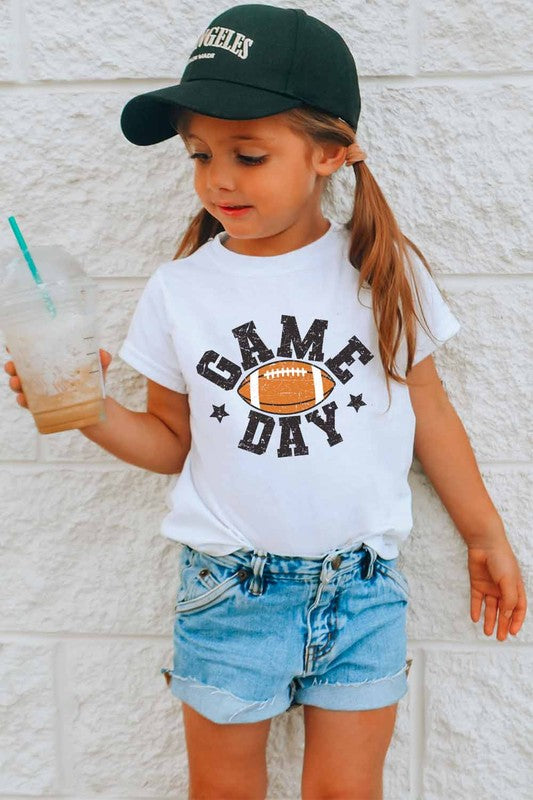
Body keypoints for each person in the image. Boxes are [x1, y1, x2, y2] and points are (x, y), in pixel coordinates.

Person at [4, 4, 527, 799]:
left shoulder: (380, 271)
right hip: (229, 592)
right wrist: (91, 409)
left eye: (248, 155)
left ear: (330, 152)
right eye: (199, 153)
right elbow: (170, 441)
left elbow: (430, 410)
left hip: (362, 591)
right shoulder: (181, 290)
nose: (218, 178)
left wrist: (483, 534)